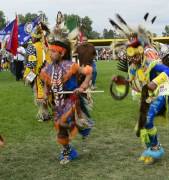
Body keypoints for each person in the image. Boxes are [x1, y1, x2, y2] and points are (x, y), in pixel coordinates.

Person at [109, 13, 169, 164]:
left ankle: (156, 148)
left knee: (147, 119)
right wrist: (119, 80)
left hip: (160, 91)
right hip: (145, 95)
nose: (132, 58)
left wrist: (155, 82)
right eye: (130, 54)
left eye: (135, 53)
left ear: (141, 51)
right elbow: (132, 82)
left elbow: (168, 71)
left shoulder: (151, 60)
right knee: (144, 124)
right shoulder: (132, 67)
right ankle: (151, 148)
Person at [40, 12, 94, 164]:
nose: (50, 53)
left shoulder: (71, 65)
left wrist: (82, 87)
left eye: (53, 51)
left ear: (62, 52)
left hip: (71, 100)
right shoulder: (49, 68)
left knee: (63, 124)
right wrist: (45, 94)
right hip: (57, 103)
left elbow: (89, 72)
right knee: (59, 127)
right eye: (49, 51)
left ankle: (70, 146)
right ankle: (68, 150)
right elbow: (46, 82)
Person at [24, 23, 51, 122]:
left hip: (38, 75)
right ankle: (46, 114)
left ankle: (44, 115)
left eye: (32, 37)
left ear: (35, 37)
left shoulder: (32, 47)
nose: (32, 38)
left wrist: (29, 77)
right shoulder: (46, 46)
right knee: (47, 94)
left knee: (40, 95)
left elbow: (31, 63)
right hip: (48, 74)